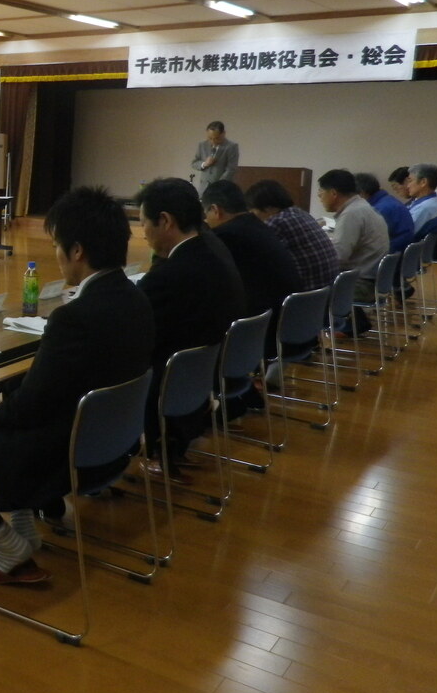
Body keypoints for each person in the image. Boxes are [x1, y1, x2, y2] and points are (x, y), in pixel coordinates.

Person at [0, 186, 153, 585]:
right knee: (13, 393)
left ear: (77, 251)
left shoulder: (75, 317)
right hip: (112, 443)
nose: (56, 255)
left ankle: (7, 543)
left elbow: (31, 407)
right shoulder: (137, 298)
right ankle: (23, 521)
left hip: (64, 453)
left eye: (58, 245)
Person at [136, 178, 244, 480]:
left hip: (169, 382)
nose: (142, 232)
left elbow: (135, 322)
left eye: (144, 223)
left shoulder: (174, 273)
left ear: (165, 221)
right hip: (203, 374)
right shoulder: (211, 247)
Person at [202, 180, 301, 366]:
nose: (206, 220)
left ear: (215, 209)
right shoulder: (257, 224)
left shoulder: (226, 235)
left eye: (206, 213)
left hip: (264, 332)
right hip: (289, 322)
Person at [244, 179, 339, 293]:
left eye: (253, 211)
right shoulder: (300, 213)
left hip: (304, 295)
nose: (252, 216)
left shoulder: (277, 222)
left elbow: (256, 260)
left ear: (268, 207)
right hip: (325, 293)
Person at [318, 169, 389, 300]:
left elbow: (338, 257)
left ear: (333, 193)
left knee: (305, 288)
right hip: (371, 279)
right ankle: (354, 320)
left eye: (321, 194)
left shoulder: (351, 214)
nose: (320, 198)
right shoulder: (362, 206)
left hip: (359, 284)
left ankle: (338, 320)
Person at [356, 171, 414, 255]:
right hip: (401, 255)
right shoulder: (387, 200)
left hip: (390, 257)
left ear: (362, 193)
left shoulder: (379, 210)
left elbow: (365, 241)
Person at [405, 163, 437, 242]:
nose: (407, 186)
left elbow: (404, 234)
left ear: (423, 182)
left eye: (410, 181)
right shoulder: (434, 201)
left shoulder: (426, 208)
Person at [190, 121, 239, 190]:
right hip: (204, 188)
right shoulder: (202, 145)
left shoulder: (231, 146)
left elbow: (231, 169)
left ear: (223, 134)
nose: (213, 141)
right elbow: (194, 163)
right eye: (210, 138)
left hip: (222, 187)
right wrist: (204, 164)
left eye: (216, 138)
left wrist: (218, 185)